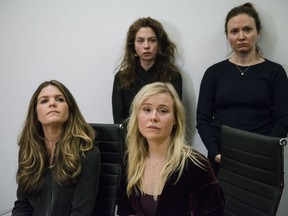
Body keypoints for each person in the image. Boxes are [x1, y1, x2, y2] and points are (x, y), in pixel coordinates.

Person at [196, 2, 288, 174]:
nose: (241, 36)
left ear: (258, 32)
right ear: (227, 36)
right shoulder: (214, 73)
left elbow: (284, 120)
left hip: (262, 159)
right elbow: (202, 120)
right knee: (219, 201)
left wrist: (263, 152)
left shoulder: (275, 72)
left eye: (247, 29)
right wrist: (215, 152)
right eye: (234, 31)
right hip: (221, 159)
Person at [116, 82, 225, 216]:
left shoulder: (196, 166)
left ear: (175, 120)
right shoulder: (130, 159)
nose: (153, 117)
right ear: (137, 116)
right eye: (147, 109)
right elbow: (124, 209)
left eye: (163, 111)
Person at [12, 80, 101, 216]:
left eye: (59, 99)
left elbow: (81, 212)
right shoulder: (28, 152)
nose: (52, 103)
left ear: (69, 109)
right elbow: (22, 206)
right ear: (35, 114)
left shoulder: (87, 153)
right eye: (44, 101)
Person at [112, 17, 182, 124]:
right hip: (129, 138)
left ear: (159, 45)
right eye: (140, 41)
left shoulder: (173, 77)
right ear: (133, 45)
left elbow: (174, 118)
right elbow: (118, 122)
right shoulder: (122, 78)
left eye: (152, 40)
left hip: (161, 137)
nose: (146, 46)